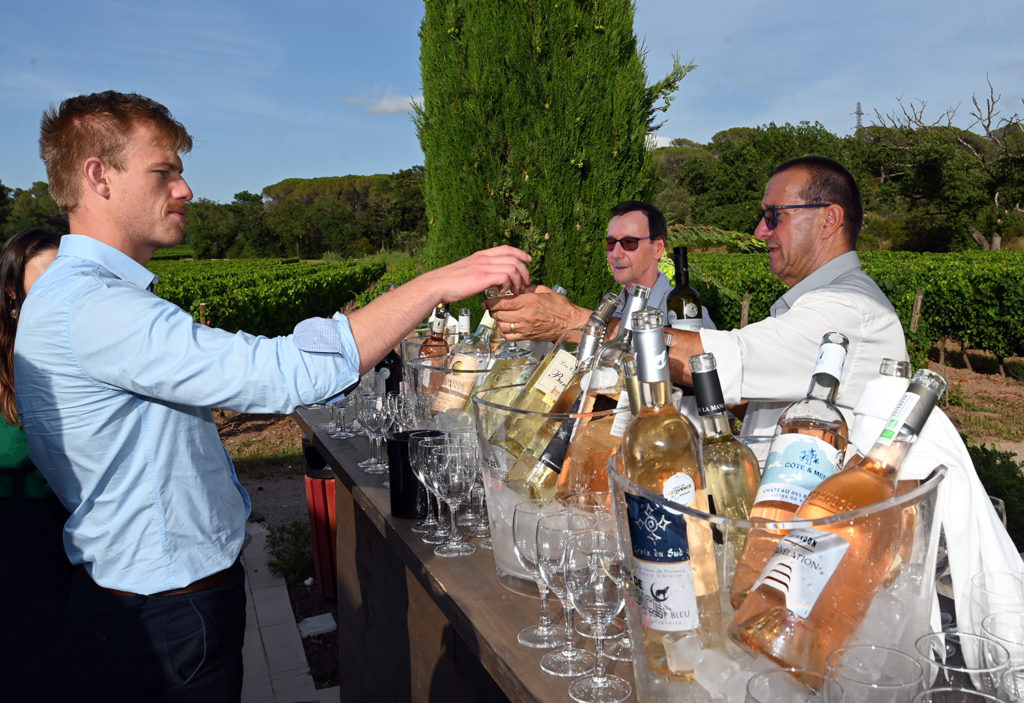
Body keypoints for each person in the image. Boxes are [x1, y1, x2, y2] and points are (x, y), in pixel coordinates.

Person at [14, 90, 530, 702]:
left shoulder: (82, 297)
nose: (184, 189)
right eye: (164, 171)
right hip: (164, 616)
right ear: (98, 176)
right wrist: (440, 282)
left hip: (150, 601)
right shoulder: (96, 309)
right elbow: (285, 374)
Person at [662, 155, 908, 435]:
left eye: (773, 216)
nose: (759, 231)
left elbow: (731, 357)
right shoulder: (824, 300)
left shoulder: (845, 307)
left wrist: (624, 336)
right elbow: (765, 401)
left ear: (829, 220)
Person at [0, 227, 73, 700]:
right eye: (46, 281)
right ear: (12, 292)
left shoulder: (76, 351)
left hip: (74, 539)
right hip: (16, 546)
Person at [485, 200, 714, 341]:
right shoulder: (611, 305)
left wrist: (571, 318)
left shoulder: (687, 314)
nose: (616, 253)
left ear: (658, 248)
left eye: (630, 243)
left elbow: (705, 372)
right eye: (610, 243)